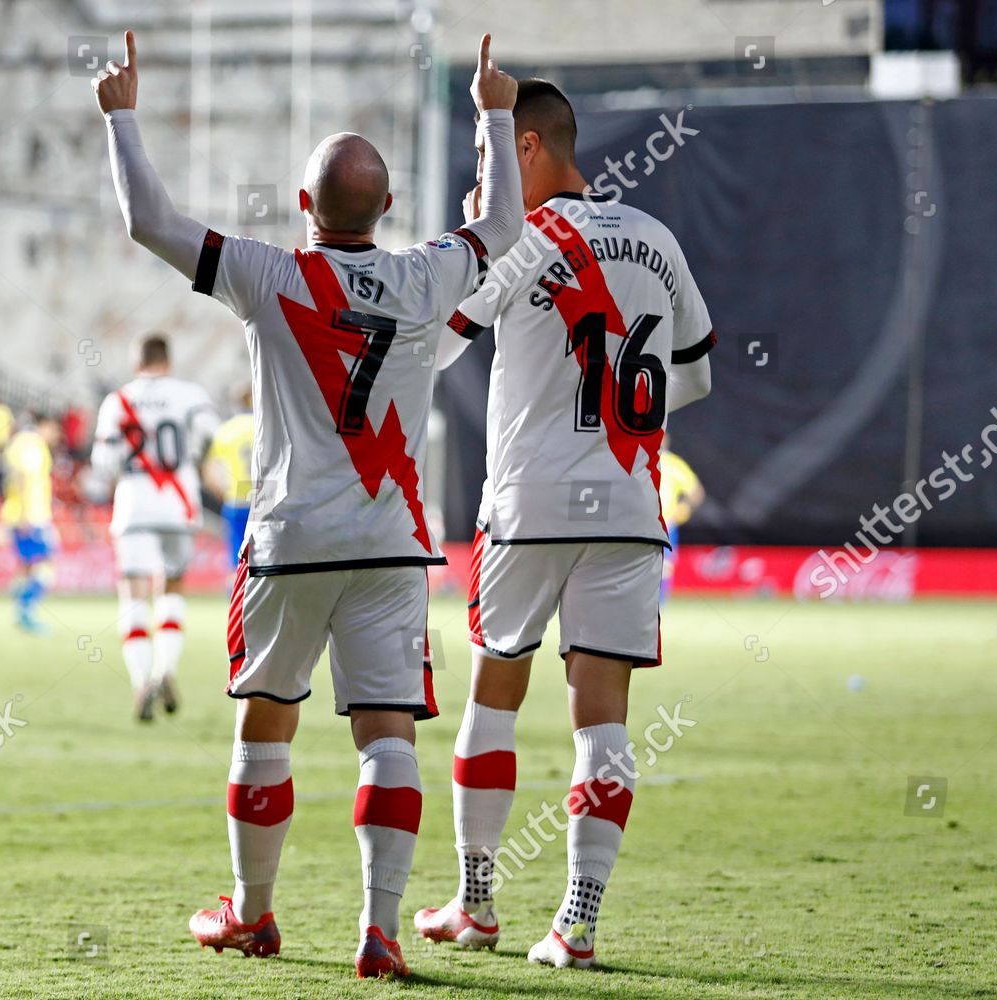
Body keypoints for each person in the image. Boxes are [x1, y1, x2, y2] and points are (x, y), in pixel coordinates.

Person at [93, 30, 521, 977]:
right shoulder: (423, 274)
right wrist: (493, 109)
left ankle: (251, 913)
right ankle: (380, 931)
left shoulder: (268, 273)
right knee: (388, 735)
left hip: (289, 543)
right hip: (392, 543)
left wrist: (122, 115)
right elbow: (503, 229)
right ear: (392, 206)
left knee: (266, 724)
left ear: (302, 205)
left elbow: (149, 221)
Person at [413, 79, 716, 970]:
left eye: (490, 157)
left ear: (529, 149)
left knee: (492, 698)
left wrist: (477, 240)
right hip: (628, 505)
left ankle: (474, 904)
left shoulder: (518, 240)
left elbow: (437, 340)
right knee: (604, 721)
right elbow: (693, 375)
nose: (483, 176)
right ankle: (577, 925)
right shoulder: (658, 238)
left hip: (527, 505)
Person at [91, 334, 220, 721]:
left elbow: (102, 462)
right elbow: (214, 437)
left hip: (133, 507)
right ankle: (166, 670)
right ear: (168, 359)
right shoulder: (190, 395)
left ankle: (140, 681)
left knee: (133, 594)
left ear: (137, 361)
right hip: (178, 505)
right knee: (172, 588)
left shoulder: (118, 400)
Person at [2, 415, 60, 633]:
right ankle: (26, 611)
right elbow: (23, 477)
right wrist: (27, 513)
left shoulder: (19, 442)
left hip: (21, 513)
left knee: (27, 567)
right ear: (44, 425)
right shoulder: (32, 445)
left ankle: (21, 609)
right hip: (31, 515)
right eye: (54, 430)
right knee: (46, 564)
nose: (56, 436)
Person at [203, 386, 255, 578]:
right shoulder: (265, 424)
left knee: (237, 557)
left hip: (235, 496)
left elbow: (209, 470)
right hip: (264, 495)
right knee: (265, 553)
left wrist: (221, 492)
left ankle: (238, 602)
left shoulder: (225, 430)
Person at [658, 435, 704, 601]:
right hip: (640, 522)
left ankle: (659, 605)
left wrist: (684, 508)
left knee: (664, 566)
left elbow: (696, 493)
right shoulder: (639, 461)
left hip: (666, 523)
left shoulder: (674, 464)